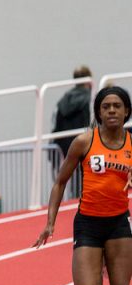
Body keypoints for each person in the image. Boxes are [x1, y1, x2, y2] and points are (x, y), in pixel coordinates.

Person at [34, 86, 132, 285]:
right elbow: (60, 182)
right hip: (88, 223)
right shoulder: (84, 142)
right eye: (106, 106)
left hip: (118, 223)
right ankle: (95, 261)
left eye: (117, 106)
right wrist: (50, 223)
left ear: (126, 111)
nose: (112, 110)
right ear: (99, 112)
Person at [51, 65, 93, 194]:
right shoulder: (89, 99)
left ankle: (75, 196)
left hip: (63, 143)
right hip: (82, 141)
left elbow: (55, 123)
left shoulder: (64, 99)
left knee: (69, 176)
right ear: (88, 80)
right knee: (85, 176)